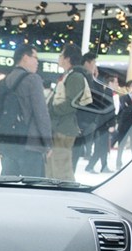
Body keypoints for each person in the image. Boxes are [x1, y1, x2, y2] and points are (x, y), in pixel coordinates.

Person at [0, 44, 51, 177]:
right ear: (25, 57)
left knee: (8, 183)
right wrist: (47, 142)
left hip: (9, 143)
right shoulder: (33, 79)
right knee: (32, 186)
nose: (37, 62)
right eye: (35, 57)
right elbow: (41, 114)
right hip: (30, 145)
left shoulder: (5, 81)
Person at [46, 43, 86, 181]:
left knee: (61, 170)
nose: (59, 58)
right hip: (59, 126)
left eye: (61, 55)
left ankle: (66, 192)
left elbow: (72, 103)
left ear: (68, 58)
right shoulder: (68, 75)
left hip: (64, 128)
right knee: (53, 167)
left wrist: (52, 110)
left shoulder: (75, 76)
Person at [85, 74, 117, 174]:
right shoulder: (108, 92)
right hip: (104, 125)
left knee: (103, 147)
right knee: (100, 147)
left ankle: (104, 166)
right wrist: (111, 124)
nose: (117, 84)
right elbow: (109, 111)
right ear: (110, 83)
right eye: (116, 82)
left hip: (102, 124)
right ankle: (90, 166)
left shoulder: (107, 92)